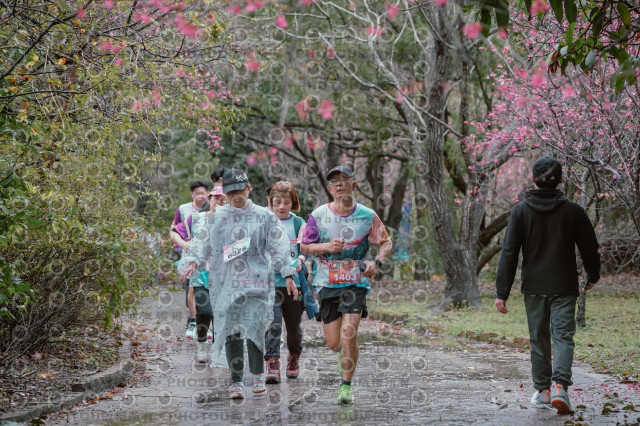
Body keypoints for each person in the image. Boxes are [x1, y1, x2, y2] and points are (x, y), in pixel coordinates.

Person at [179, 169, 298, 399]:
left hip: (257, 281)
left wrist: (288, 274)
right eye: (231, 192)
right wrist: (193, 262)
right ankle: (236, 381)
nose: (236, 196)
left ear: (249, 188)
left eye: (240, 191)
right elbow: (203, 244)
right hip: (227, 283)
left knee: (255, 328)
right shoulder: (218, 218)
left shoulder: (264, 216)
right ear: (225, 193)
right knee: (232, 329)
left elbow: (278, 247)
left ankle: (257, 375)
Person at [495, 156, 601, 415]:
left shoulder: (520, 211)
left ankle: (543, 392)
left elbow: (509, 253)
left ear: (533, 179)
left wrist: (502, 293)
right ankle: (560, 389)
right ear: (560, 179)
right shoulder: (573, 211)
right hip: (564, 286)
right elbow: (590, 247)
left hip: (534, 287)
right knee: (563, 337)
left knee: (539, 338)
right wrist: (593, 276)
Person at [300, 165, 392, 405]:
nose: (339, 183)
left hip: (355, 283)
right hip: (326, 284)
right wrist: (326, 247)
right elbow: (304, 247)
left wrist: (376, 261)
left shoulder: (367, 215)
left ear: (354, 185)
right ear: (329, 188)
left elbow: (386, 242)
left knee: (349, 333)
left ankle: (346, 385)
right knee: (334, 343)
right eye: (334, 181)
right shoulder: (319, 215)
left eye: (344, 179)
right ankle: (347, 352)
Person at [171, 186, 227, 361]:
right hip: (200, 274)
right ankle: (202, 344)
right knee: (205, 311)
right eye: (216, 199)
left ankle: (217, 349)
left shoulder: (231, 221)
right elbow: (174, 232)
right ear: (210, 199)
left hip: (223, 276)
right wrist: (185, 245)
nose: (220, 203)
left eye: (224, 200)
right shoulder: (197, 219)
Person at [263, 181, 309, 383]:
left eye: (287, 202)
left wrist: (301, 260)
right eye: (277, 202)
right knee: (272, 323)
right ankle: (272, 363)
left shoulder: (299, 223)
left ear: (293, 202)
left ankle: (294, 357)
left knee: (293, 326)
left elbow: (305, 248)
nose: (282, 206)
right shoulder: (264, 222)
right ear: (270, 201)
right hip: (270, 282)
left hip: (295, 283)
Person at [172, 180, 210, 338]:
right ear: (192, 194)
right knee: (191, 289)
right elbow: (174, 229)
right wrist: (182, 245)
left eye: (202, 193)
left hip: (211, 260)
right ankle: (192, 322)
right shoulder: (183, 209)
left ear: (208, 193)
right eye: (196, 193)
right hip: (190, 255)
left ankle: (206, 325)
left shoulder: (215, 208)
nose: (200, 196)